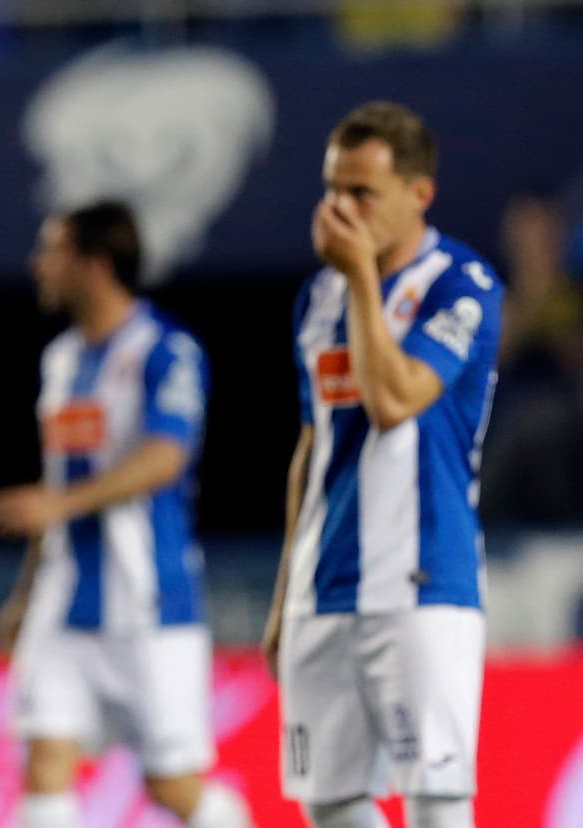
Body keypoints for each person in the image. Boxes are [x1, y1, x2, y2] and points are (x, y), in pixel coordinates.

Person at [261, 101, 502, 828]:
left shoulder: (463, 285)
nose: (341, 209)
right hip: (322, 587)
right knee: (327, 801)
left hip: (421, 582)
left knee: (435, 801)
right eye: (333, 189)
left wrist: (364, 276)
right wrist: (284, 594)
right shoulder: (320, 295)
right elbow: (314, 448)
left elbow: (396, 400)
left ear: (418, 194)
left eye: (362, 192)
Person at [0, 202, 252, 828]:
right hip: (64, 598)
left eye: (53, 249)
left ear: (95, 264)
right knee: (45, 758)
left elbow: (166, 455)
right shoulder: (61, 360)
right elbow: (55, 485)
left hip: (148, 602)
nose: (38, 264)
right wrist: (25, 594)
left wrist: (59, 505)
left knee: (172, 785)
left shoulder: (167, 352)